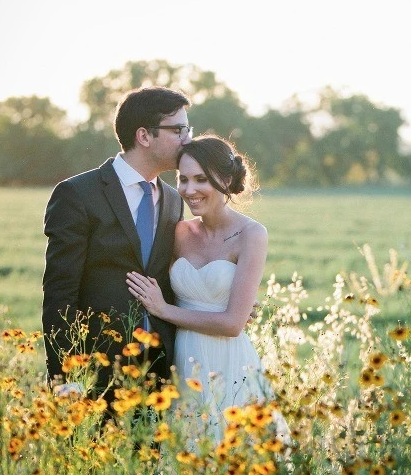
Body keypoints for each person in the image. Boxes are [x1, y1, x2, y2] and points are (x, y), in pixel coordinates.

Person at [41, 86, 192, 395]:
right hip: (96, 371)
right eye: (178, 130)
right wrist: (64, 375)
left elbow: (172, 278)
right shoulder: (78, 194)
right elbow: (60, 291)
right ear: (144, 136)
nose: (187, 139)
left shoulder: (174, 200)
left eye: (188, 129)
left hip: (160, 370)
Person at [126, 135, 273, 439]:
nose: (189, 190)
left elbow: (232, 324)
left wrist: (164, 310)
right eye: (183, 179)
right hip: (182, 360)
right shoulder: (179, 231)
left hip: (228, 361)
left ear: (227, 179)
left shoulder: (251, 235)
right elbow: (160, 285)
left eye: (201, 179)